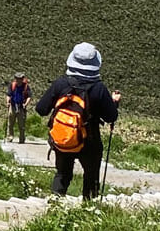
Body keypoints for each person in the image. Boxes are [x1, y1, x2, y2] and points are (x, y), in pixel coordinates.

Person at [35, 42, 121, 199]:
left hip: (63, 138)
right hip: (89, 140)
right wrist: (114, 102)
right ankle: (88, 210)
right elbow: (111, 117)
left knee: (62, 174)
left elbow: (41, 109)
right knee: (91, 176)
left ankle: (55, 206)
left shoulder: (61, 84)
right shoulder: (98, 88)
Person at [5, 71, 32, 143]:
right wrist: (7, 102)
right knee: (10, 123)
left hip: (21, 107)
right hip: (13, 106)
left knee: (21, 124)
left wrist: (26, 104)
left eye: (20, 78)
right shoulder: (12, 85)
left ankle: (22, 138)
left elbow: (29, 96)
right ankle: (10, 137)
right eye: (17, 78)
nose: (18, 80)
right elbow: (8, 94)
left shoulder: (26, 87)